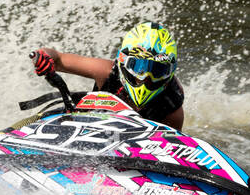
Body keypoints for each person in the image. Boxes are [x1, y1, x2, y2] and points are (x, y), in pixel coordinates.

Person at [31, 22, 185, 130]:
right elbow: (58, 58)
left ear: (170, 72)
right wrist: (43, 56)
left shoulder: (172, 107)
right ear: (123, 62)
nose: (146, 78)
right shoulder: (106, 71)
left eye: (158, 71)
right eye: (139, 68)